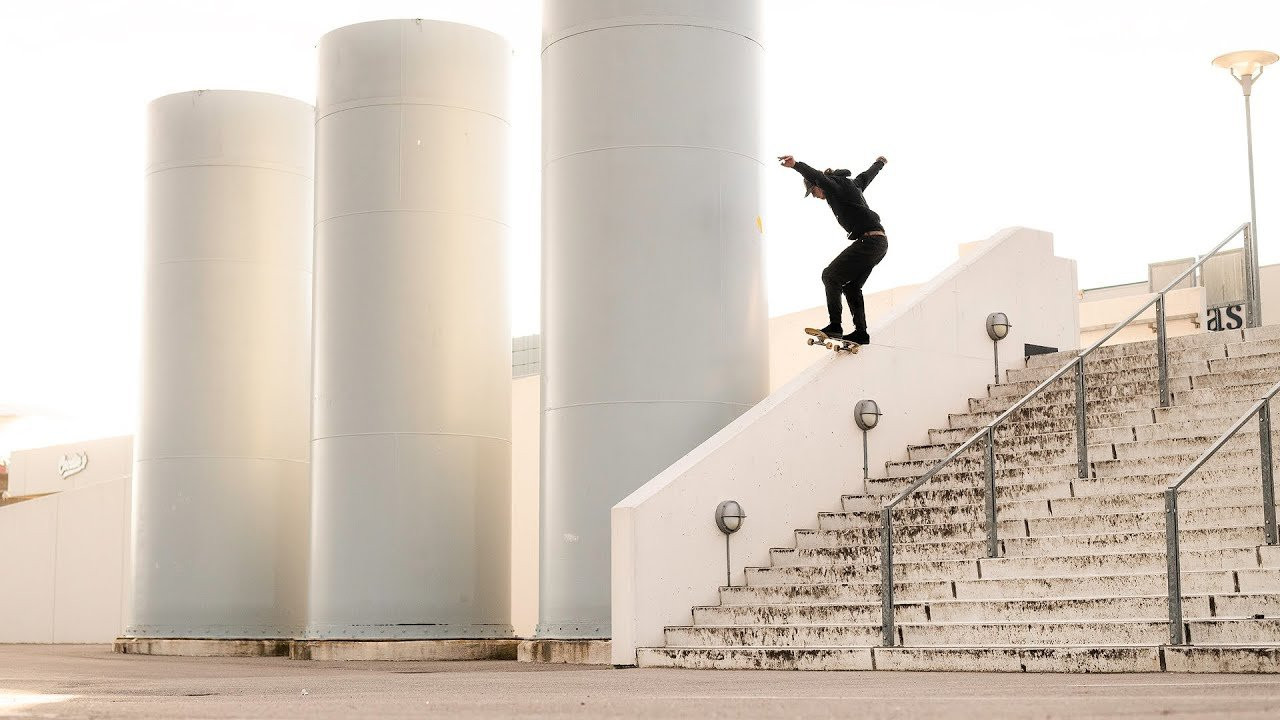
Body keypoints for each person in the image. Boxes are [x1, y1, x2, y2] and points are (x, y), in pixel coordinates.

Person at [778, 154, 889, 345]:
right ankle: (861, 333)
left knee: (830, 276)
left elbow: (818, 176)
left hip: (869, 243)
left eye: (813, 193)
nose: (816, 197)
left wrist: (796, 165)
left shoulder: (833, 186)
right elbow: (866, 176)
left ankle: (835, 326)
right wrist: (879, 163)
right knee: (851, 287)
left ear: (817, 186)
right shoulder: (852, 185)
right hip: (879, 243)